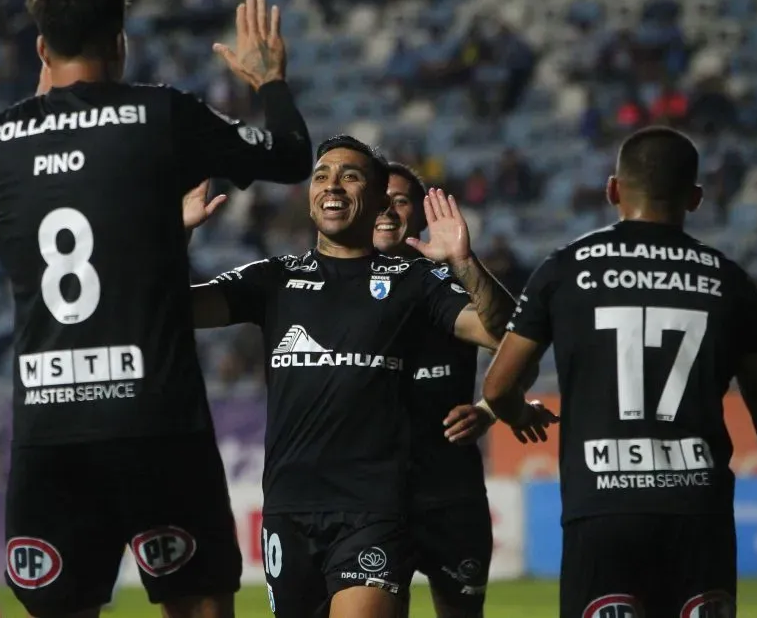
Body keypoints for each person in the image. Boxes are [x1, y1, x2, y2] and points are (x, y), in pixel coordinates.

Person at [0, 0, 312, 618]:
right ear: (119, 41)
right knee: (199, 602)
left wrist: (38, 114)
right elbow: (292, 155)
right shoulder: (160, 114)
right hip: (154, 417)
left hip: (49, 422)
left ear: (41, 47)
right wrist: (269, 80)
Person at [185, 135, 554, 618]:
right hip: (289, 507)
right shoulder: (273, 278)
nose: (332, 185)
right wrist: (178, 236)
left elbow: (504, 334)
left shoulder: (412, 281)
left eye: (350, 176)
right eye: (322, 176)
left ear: (379, 201)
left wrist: (463, 263)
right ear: (311, 198)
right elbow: (178, 308)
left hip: (373, 510)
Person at [482, 126, 757, 617]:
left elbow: (498, 387)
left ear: (613, 190)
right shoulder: (731, 282)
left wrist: (520, 414)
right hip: (699, 514)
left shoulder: (564, 270)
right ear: (696, 198)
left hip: (601, 511)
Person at [374, 162, 496, 618]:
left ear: (420, 216)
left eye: (400, 200)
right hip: (374, 500)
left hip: (451, 493)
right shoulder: (333, 286)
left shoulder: (452, 286)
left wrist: (490, 408)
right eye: (378, 200)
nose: (388, 210)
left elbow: (516, 340)